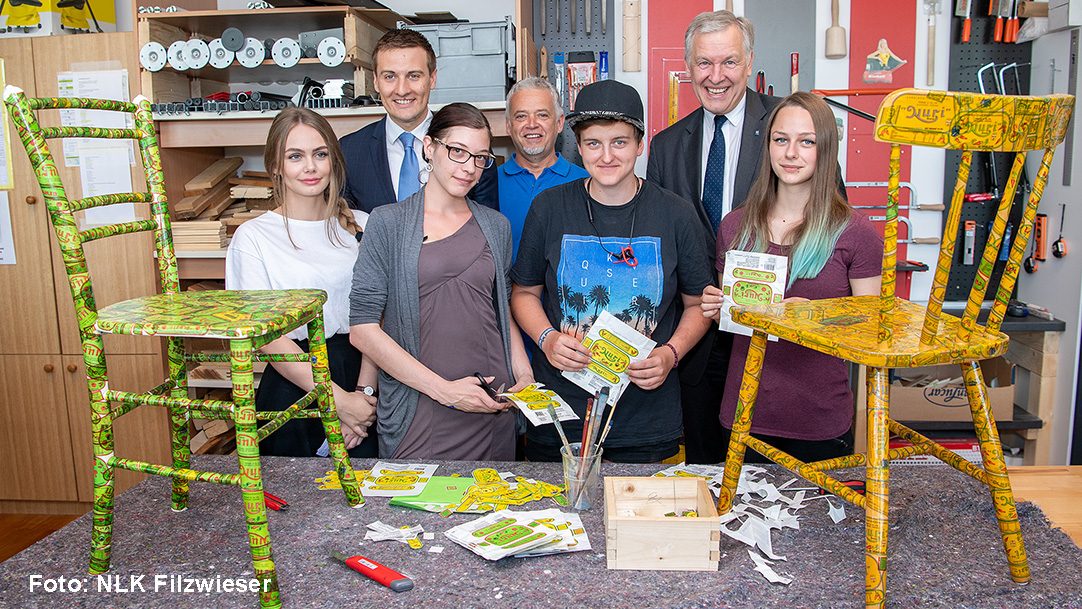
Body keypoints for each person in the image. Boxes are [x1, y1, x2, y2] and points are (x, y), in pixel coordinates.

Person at [511, 80, 713, 463]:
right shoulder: (549, 207)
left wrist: (671, 354)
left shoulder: (676, 214)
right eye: (593, 143)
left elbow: (698, 303)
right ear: (579, 146)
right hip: (561, 417)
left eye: (619, 142)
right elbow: (523, 293)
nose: (606, 156)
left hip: (646, 419)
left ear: (640, 145)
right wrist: (547, 338)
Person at [700, 92, 882, 463]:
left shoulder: (856, 233)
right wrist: (717, 308)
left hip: (818, 421)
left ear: (825, 149)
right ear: (767, 147)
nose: (791, 153)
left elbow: (871, 329)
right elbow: (731, 319)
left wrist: (813, 318)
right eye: (781, 139)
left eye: (807, 142)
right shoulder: (735, 226)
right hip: (743, 414)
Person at [350, 103, 534, 460]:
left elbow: (500, 310)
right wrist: (446, 392)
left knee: (495, 510)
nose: (469, 168)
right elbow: (363, 330)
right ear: (429, 147)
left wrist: (523, 373)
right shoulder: (388, 223)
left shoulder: (496, 226)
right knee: (415, 513)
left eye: (480, 157)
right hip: (419, 408)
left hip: (491, 403)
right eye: (458, 151)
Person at [646, 10, 778, 465]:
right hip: (697, 343)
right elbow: (660, 243)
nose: (716, 76)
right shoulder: (666, 146)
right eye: (704, 63)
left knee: (773, 478)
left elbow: (827, 223)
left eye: (728, 62)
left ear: (749, 62)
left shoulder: (788, 130)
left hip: (771, 338)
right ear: (688, 68)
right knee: (706, 470)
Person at [226, 107, 377, 458]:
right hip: (295, 387)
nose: (310, 167)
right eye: (295, 156)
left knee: (366, 502)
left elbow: (378, 317)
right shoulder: (253, 238)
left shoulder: (363, 224)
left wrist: (364, 398)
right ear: (276, 166)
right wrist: (338, 401)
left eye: (320, 154)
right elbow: (268, 338)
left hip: (362, 378)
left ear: (333, 160)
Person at [339, 28, 498, 213]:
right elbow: (346, 231)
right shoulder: (349, 151)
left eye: (413, 76)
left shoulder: (471, 149)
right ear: (375, 81)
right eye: (390, 76)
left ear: (432, 78)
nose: (402, 89)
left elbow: (486, 228)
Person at [498, 77, 589, 258]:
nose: (532, 124)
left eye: (542, 115)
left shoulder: (586, 183)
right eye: (521, 116)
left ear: (559, 123)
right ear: (509, 126)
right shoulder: (488, 185)